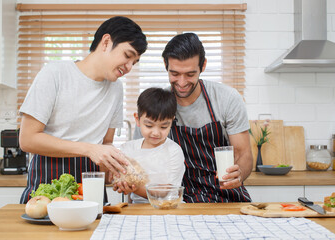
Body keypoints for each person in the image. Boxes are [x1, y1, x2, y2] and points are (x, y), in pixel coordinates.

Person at [19, 16, 147, 204]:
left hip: (91, 190)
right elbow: (27, 139)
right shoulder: (55, 73)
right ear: (105, 42)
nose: (129, 67)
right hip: (47, 186)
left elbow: (106, 144)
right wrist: (89, 149)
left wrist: (118, 174)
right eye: (127, 56)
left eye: (134, 63)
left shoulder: (116, 89)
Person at [134, 33, 252, 203]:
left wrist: (238, 173)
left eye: (190, 74)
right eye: (174, 73)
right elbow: (141, 159)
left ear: (202, 66)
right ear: (165, 66)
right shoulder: (156, 105)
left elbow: (243, 153)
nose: (181, 83)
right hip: (179, 200)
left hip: (226, 196)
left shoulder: (227, 98)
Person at [113, 88, 185, 203]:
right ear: (137, 119)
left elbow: (168, 192)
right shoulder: (127, 149)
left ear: (171, 122)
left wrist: (135, 188)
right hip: (138, 210)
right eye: (149, 125)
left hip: (169, 208)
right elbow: (118, 177)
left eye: (163, 127)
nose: (156, 133)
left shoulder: (173, 151)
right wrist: (120, 183)